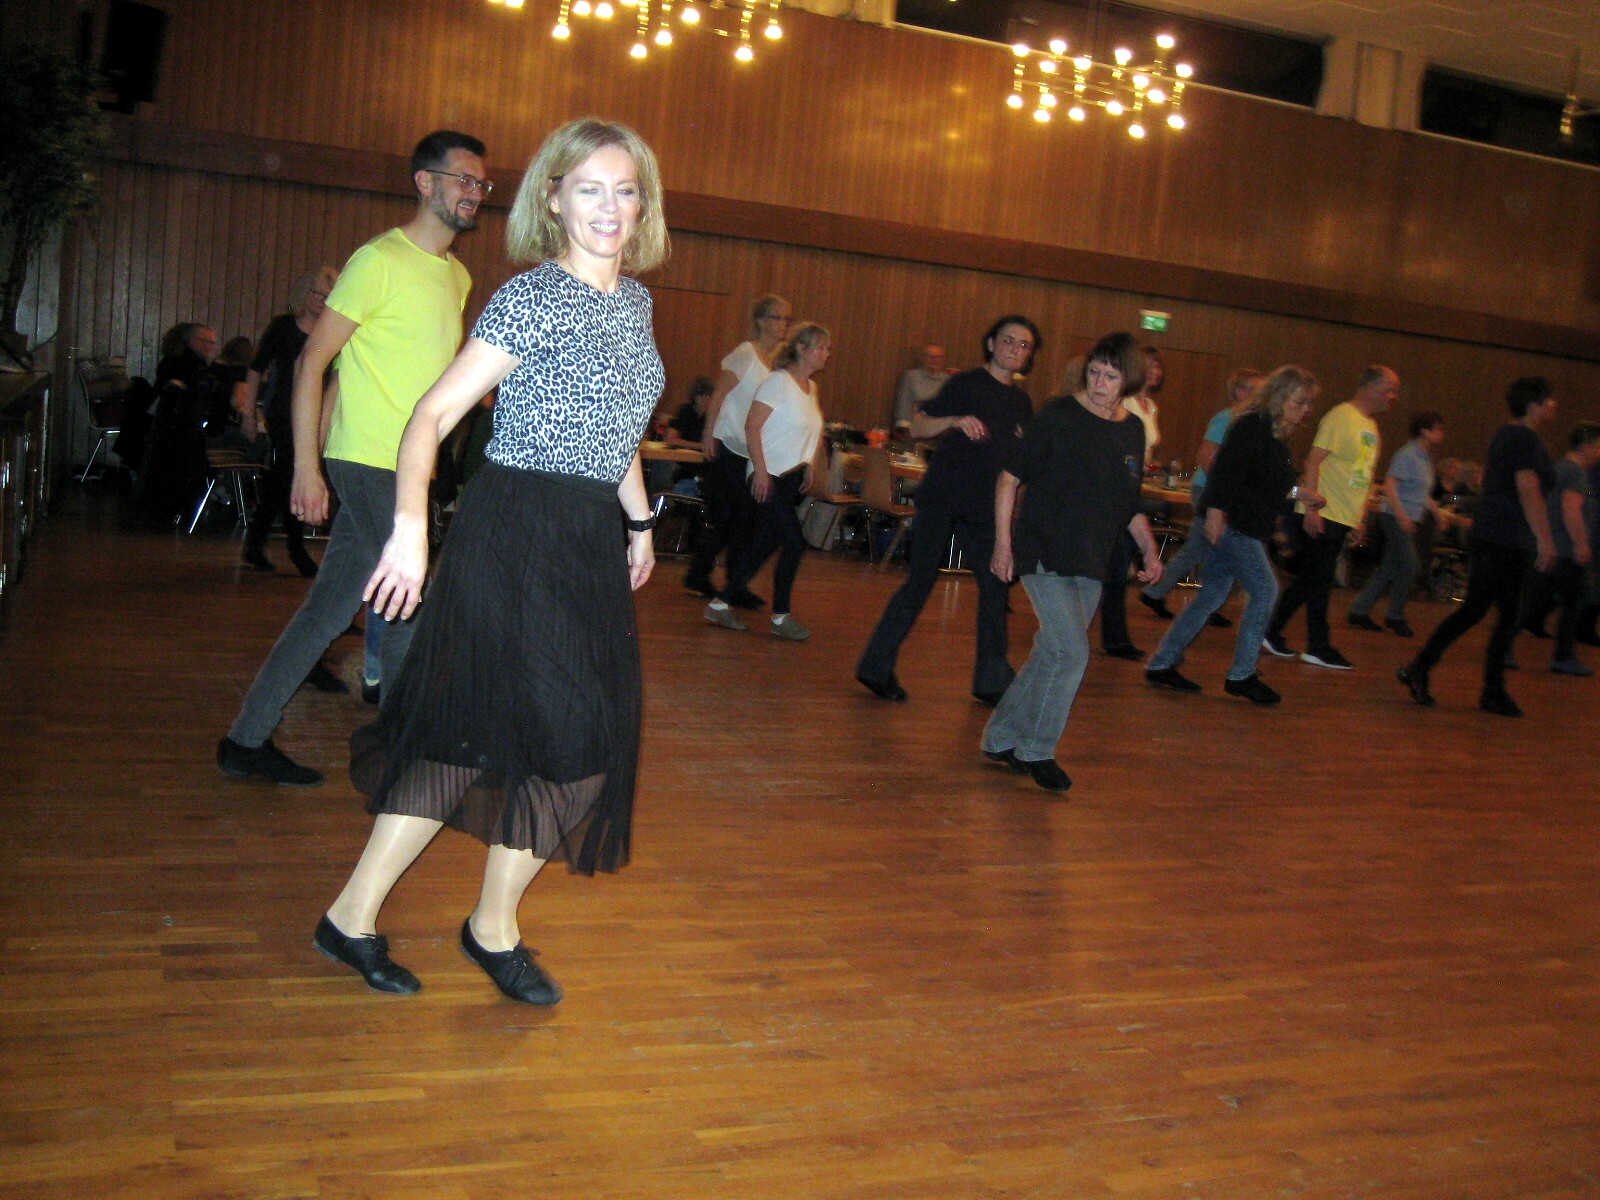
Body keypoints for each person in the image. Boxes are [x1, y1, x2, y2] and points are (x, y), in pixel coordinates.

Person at [312, 117, 667, 1006]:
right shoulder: (531, 298)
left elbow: (619, 426)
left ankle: (491, 925)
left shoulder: (636, 305)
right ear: (554, 199)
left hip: (585, 540)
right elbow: (430, 416)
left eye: (625, 191)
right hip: (514, 533)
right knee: (469, 737)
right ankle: (353, 917)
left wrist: (639, 521)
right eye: (589, 189)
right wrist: (409, 528)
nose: (609, 208)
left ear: (644, 205)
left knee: (578, 745)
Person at [216, 129, 486, 786]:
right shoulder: (378, 261)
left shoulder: (456, 276)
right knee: (407, 599)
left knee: (338, 607)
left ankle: (246, 740)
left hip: (409, 468)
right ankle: (401, 749)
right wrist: (308, 466)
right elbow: (313, 362)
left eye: (481, 184)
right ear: (424, 182)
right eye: (462, 179)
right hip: (368, 462)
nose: (474, 192)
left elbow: (371, 373)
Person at [980, 331, 1163, 793]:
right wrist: (1003, 545)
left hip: (1092, 557)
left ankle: (1000, 738)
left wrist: (1149, 548)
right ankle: (1036, 750)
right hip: (1044, 549)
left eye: (1110, 376)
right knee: (1072, 652)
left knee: (1052, 652)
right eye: (1094, 373)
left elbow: (1128, 501)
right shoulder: (1059, 416)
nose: (1099, 384)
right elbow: (1008, 479)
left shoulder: (1131, 429)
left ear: (1128, 381)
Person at [855, 315, 1039, 704]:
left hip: (985, 507)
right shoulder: (966, 383)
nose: (1015, 349)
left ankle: (991, 680)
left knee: (995, 586)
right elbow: (917, 427)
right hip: (942, 496)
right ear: (991, 343)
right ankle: (875, 667)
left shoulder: (1022, 402)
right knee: (919, 582)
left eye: (1024, 345)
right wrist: (955, 420)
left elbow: (1019, 460)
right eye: (1009, 340)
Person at [1143, 366, 1323, 705]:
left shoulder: (1273, 433)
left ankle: (1162, 662)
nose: (1306, 410)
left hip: (1239, 523)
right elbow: (1225, 471)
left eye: (1309, 404)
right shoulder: (1252, 426)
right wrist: (1214, 513)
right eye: (1300, 402)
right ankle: (1242, 674)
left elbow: (1266, 482)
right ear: (1280, 397)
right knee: (1265, 591)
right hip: (1233, 526)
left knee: (1212, 594)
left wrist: (1301, 493)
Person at [1398, 376, 1559, 717]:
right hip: (1507, 538)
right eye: (1549, 399)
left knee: (1484, 611)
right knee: (1499, 615)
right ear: (1535, 405)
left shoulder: (1505, 434)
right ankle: (1483, 687)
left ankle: (1439, 673)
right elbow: (1528, 489)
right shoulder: (1525, 439)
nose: (1553, 404)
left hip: (1495, 534)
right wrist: (1545, 538)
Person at [1263, 364, 1397, 670]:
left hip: (1344, 515)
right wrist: (1312, 509)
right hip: (1326, 511)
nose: (1392, 397)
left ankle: (1271, 631)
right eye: (1389, 390)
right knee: (1320, 582)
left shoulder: (1370, 426)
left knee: (1313, 579)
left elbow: (1362, 475)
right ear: (1372, 387)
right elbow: (1313, 461)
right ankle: (1318, 646)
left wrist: (1360, 517)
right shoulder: (1341, 417)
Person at [705, 323, 831, 641]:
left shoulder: (811, 388)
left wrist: (810, 464)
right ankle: (781, 616)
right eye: (821, 347)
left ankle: (720, 604)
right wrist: (760, 472)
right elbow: (752, 426)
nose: (826, 354)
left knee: (762, 545)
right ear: (801, 348)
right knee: (794, 543)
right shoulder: (778, 382)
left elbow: (810, 431)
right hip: (770, 476)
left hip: (790, 479)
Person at [683, 294, 793, 603]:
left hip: (750, 451)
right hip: (730, 445)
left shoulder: (774, 362)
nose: (784, 325)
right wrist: (709, 434)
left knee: (744, 521)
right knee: (731, 517)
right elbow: (719, 393)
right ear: (761, 321)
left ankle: (731, 582)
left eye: (787, 319)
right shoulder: (746, 353)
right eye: (778, 318)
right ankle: (702, 575)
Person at [1140, 367, 1263, 623]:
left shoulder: (1252, 422)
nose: (1260, 396)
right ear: (1239, 392)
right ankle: (1174, 596)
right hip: (1210, 490)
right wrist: (1224, 489)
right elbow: (1205, 456)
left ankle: (1185, 599)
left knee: (1206, 548)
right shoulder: (1226, 419)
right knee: (1204, 547)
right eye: (1255, 390)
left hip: (1222, 492)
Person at [240, 267, 339, 577]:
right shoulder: (283, 326)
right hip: (283, 413)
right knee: (291, 475)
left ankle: (256, 543)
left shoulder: (332, 330)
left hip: (315, 414)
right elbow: (256, 368)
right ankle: (296, 550)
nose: (321, 300)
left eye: (328, 296)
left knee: (280, 480)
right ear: (304, 293)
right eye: (316, 293)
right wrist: (248, 414)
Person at [1346, 412, 1452, 638]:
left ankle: (1359, 610)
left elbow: (1422, 494)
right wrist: (1402, 516)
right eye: (1437, 429)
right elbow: (1390, 486)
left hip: (1407, 518)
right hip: (1394, 518)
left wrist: (1437, 514)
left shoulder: (1424, 458)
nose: (1441, 434)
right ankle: (1395, 615)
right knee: (1410, 566)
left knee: (1389, 567)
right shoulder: (1407, 455)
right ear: (1424, 431)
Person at [1098, 344, 1164, 658]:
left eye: (1156, 365)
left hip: (1132, 485)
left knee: (1117, 564)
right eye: (1146, 365)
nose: (1153, 370)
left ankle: (1115, 637)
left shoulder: (1150, 407)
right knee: (1115, 564)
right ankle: (1115, 638)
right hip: (1116, 490)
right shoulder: (1123, 402)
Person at [1521, 422, 1600, 675]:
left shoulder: (1558, 467)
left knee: (1538, 601)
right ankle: (1563, 656)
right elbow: (1571, 510)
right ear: (1586, 446)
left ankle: (1506, 647)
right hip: (1566, 550)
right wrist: (1581, 543)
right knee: (1573, 603)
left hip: (1555, 547)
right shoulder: (1575, 472)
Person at [893, 344, 950, 427]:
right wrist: (903, 426)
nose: (936, 360)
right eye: (932, 357)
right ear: (923, 358)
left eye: (940, 357)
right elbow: (904, 404)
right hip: (914, 424)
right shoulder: (911, 376)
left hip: (939, 425)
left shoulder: (947, 379)